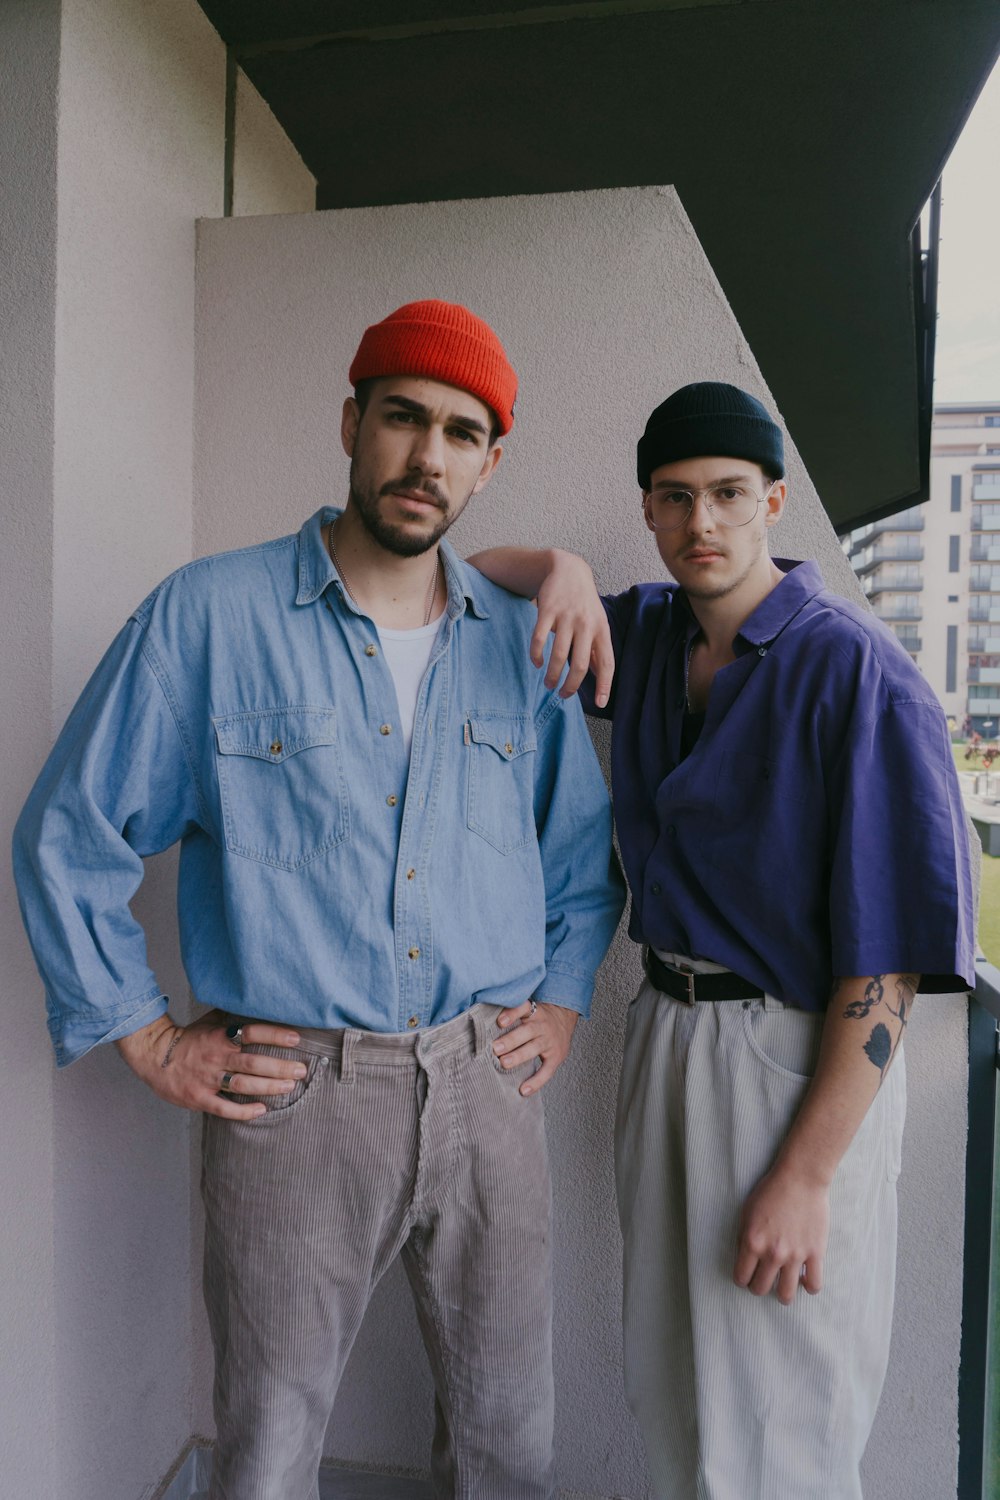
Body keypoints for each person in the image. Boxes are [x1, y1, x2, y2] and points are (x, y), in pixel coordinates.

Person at [13, 299, 625, 1500]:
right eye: (402, 418)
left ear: (488, 463)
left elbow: (580, 850)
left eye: (460, 433)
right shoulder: (207, 617)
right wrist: (144, 1036)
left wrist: (559, 998)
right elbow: (66, 835)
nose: (426, 456)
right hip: (294, 1103)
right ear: (352, 422)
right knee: (268, 1450)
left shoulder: (520, 639)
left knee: (510, 1445)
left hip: (484, 1088)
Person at [470, 381, 976, 1499]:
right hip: (666, 1032)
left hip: (797, 1055)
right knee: (673, 1381)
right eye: (675, 497)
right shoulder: (646, 633)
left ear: (775, 503)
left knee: (782, 1406)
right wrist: (555, 566)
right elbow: (476, 576)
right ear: (648, 511)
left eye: (728, 495)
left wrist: (805, 1174)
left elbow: (886, 963)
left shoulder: (856, 672)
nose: (702, 522)